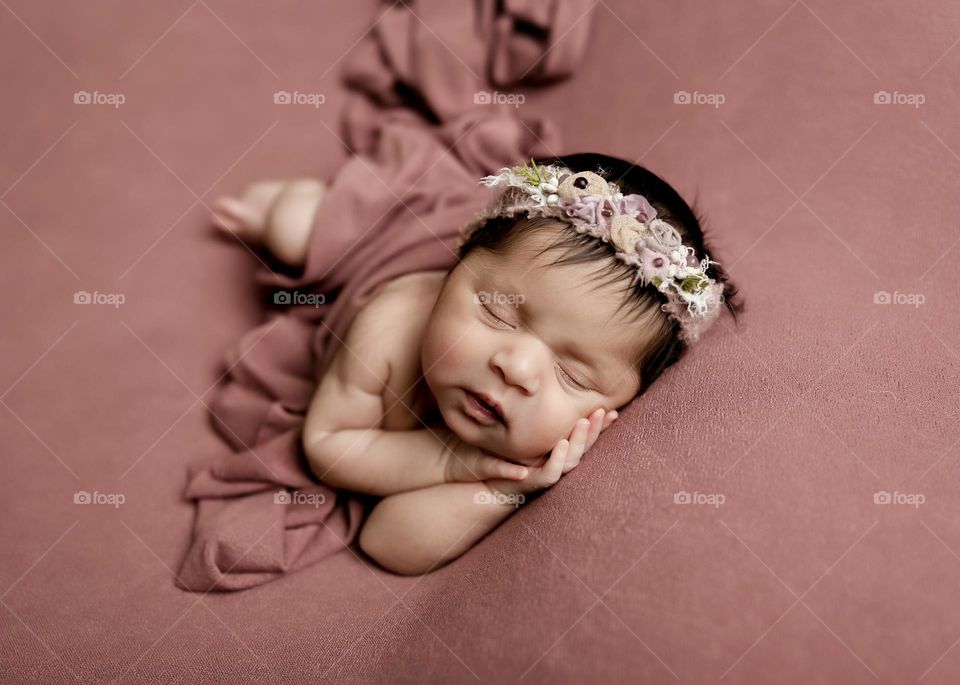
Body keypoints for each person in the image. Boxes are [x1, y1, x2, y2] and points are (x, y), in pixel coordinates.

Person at [211, 152, 743, 574]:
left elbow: (387, 543)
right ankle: (296, 205)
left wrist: (507, 488)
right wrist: (448, 461)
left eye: (574, 374)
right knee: (293, 222)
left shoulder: (542, 438)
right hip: (380, 238)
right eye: (497, 313)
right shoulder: (390, 325)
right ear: (460, 262)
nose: (516, 369)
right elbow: (328, 446)